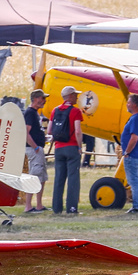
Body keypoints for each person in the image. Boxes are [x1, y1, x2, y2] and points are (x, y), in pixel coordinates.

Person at [49, 85, 84, 214]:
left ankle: (56, 208)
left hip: (58, 148)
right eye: (75, 95)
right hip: (71, 147)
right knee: (73, 178)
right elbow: (78, 131)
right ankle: (72, 208)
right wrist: (80, 146)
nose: (77, 97)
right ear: (70, 96)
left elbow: (49, 130)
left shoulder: (55, 110)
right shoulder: (75, 111)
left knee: (59, 178)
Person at [22, 89, 48, 213]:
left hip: (38, 149)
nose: (44, 101)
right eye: (42, 99)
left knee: (41, 177)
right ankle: (28, 206)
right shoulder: (30, 113)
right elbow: (26, 133)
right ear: (36, 99)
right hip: (34, 150)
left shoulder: (35, 113)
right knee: (35, 176)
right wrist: (35, 147)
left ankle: (39, 205)